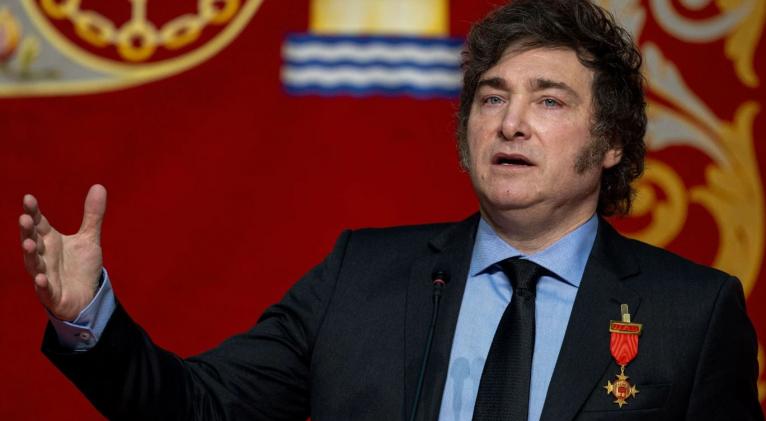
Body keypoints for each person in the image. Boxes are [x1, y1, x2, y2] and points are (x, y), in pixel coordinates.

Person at [19, 0, 762, 420]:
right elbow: (198, 408)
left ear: (611, 142)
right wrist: (90, 317)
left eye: (549, 101)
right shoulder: (360, 275)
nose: (510, 123)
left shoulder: (692, 314)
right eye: (492, 98)